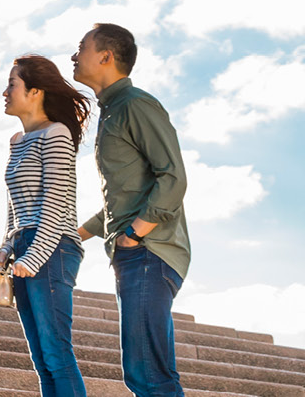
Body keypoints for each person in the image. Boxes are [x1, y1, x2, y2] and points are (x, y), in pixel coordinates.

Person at [71, 23, 190, 397]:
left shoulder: (135, 104)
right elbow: (119, 198)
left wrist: (135, 234)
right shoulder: (111, 110)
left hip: (148, 253)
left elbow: (172, 177)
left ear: (106, 56)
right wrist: (75, 233)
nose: (74, 55)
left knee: (149, 376)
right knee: (145, 373)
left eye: (82, 47)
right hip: (136, 254)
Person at [0, 55, 91, 397]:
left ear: (34, 91)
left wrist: (32, 258)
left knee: (57, 354)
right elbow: (15, 202)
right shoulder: (18, 140)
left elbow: (55, 203)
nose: (5, 91)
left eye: (12, 84)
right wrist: (7, 245)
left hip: (54, 247)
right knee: (41, 358)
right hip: (25, 245)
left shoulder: (57, 134)